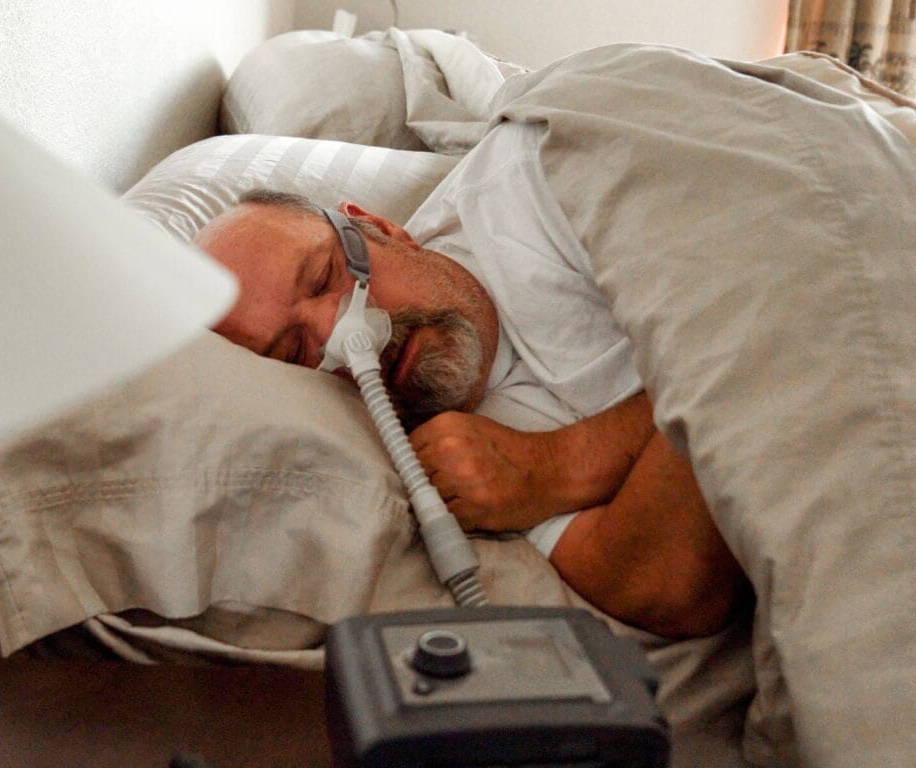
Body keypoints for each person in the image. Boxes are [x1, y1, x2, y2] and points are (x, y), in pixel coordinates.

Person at [193, 134, 749, 642]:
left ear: (381, 229)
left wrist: (561, 464)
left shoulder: (534, 182)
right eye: (294, 353)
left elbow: (769, 284)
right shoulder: (439, 456)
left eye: (325, 277)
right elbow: (663, 586)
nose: (343, 333)